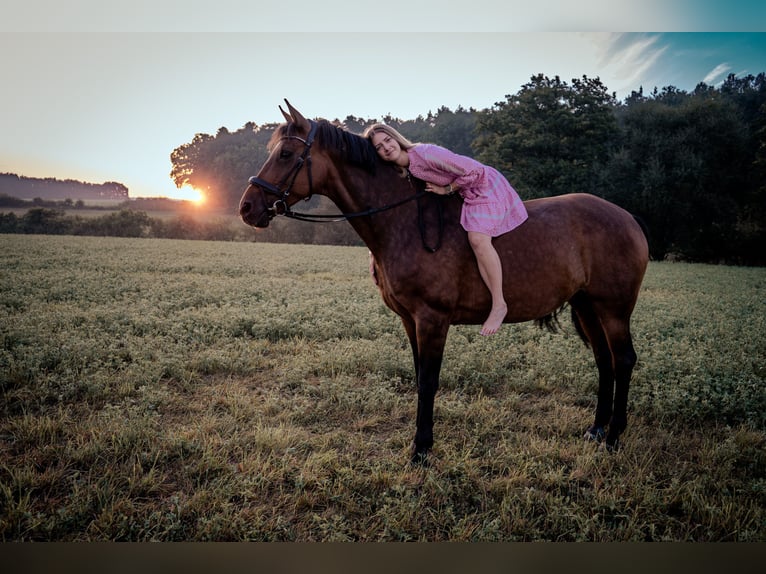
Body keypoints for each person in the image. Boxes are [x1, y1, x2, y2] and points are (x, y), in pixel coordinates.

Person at [363, 123, 528, 336]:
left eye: (387, 140)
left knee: (478, 239)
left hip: (483, 187)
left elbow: (475, 171)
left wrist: (447, 188)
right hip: (462, 196)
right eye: (378, 147)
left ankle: (499, 305)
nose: (385, 148)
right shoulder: (402, 170)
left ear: (396, 138)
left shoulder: (425, 153)